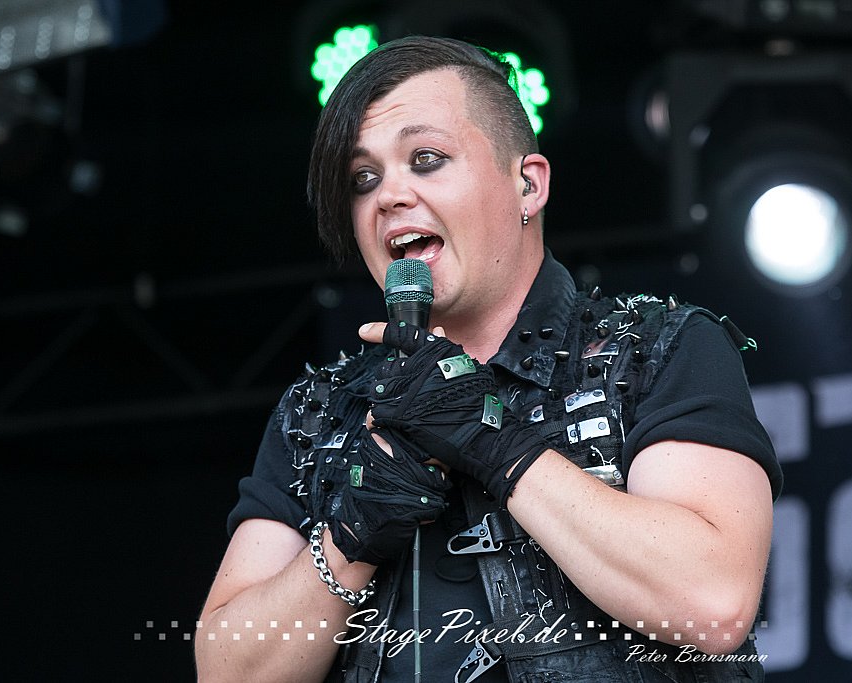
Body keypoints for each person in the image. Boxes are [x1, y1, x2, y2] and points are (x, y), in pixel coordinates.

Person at [194, 35, 783, 683]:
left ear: (527, 185)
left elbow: (713, 603)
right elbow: (227, 673)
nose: (388, 195)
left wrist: (491, 440)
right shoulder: (322, 411)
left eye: (425, 159)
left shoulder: (655, 347)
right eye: (364, 178)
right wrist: (348, 539)